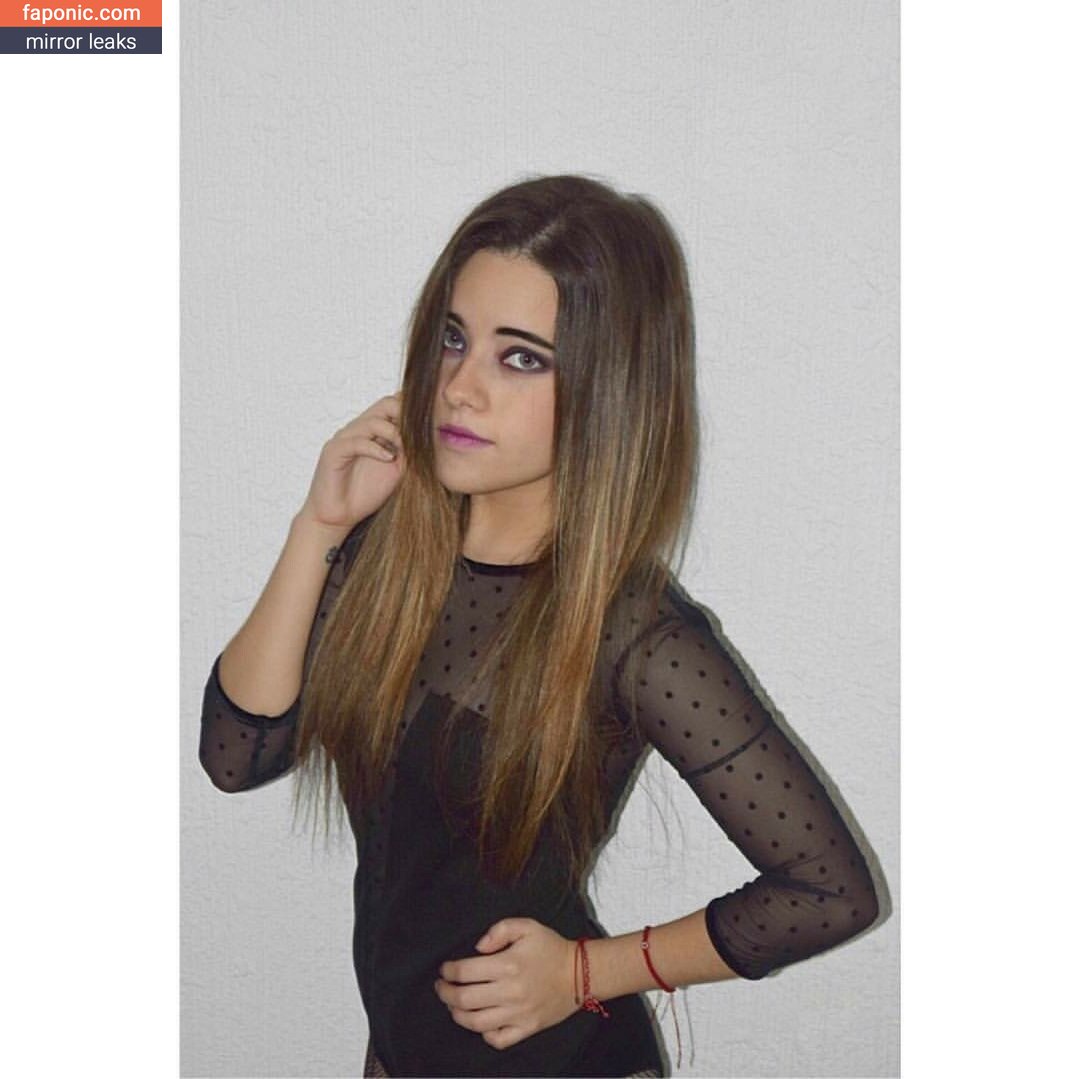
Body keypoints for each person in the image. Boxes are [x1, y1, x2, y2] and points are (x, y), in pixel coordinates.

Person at [198, 173, 882, 1078]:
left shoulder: (633, 632)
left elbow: (830, 889)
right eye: (454, 339)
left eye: (521, 358)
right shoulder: (384, 561)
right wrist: (317, 526)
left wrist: (587, 971)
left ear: (606, 388)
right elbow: (237, 755)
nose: (459, 388)